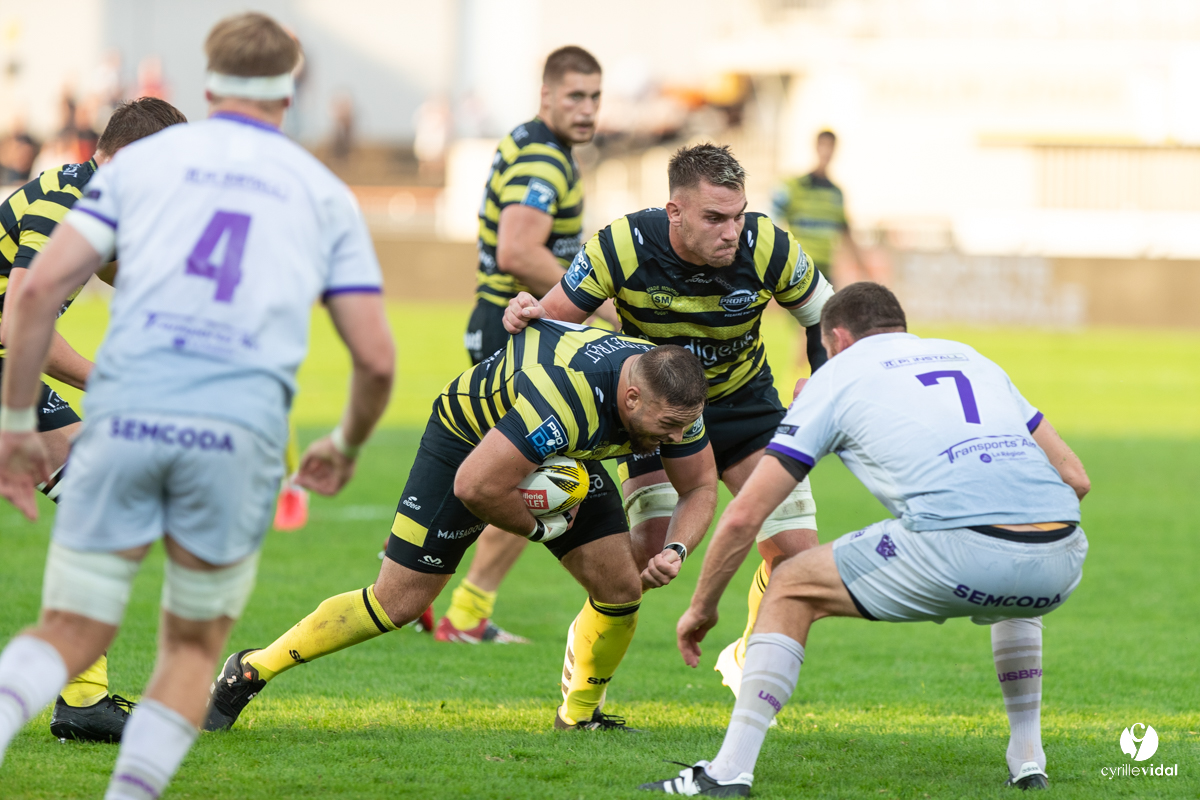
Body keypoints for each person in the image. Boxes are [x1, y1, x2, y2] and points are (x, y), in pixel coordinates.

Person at [0, 14, 395, 800]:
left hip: (138, 415)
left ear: (211, 88)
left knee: (70, 607)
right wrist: (345, 441)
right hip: (231, 425)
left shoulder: (140, 183)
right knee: (190, 645)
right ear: (291, 93)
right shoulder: (314, 189)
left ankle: (78, 697)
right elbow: (375, 356)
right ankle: (89, 716)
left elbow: (50, 292)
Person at [640, 283, 1090, 796]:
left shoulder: (839, 374)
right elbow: (1075, 477)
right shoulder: (971, 358)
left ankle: (726, 773)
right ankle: (1028, 758)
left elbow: (745, 516)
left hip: (957, 549)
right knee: (1014, 576)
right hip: (1061, 554)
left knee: (789, 585)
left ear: (837, 339)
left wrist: (701, 609)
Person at [205, 320, 718, 733]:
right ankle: (251, 668)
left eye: (683, 426)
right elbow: (476, 486)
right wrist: (543, 529)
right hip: (467, 445)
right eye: (667, 428)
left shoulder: (672, 397)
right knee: (399, 603)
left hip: (556, 451)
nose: (674, 437)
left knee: (621, 588)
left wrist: (676, 547)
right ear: (631, 400)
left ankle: (579, 716)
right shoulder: (568, 400)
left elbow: (699, 487)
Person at [504, 143, 835, 698]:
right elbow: (553, 324)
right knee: (641, 558)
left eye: (737, 215)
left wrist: (820, 382)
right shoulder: (623, 245)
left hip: (744, 405)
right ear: (674, 212)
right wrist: (525, 314)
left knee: (798, 557)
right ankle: (582, 699)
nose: (731, 231)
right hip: (658, 413)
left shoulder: (768, 243)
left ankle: (745, 657)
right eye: (714, 218)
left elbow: (825, 315)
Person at [0, 96, 188, 743]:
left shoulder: (90, 201)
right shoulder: (67, 207)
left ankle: (82, 699)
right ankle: (81, 702)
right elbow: (23, 322)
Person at [442, 45, 607, 645]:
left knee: (516, 472)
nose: (587, 109)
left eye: (594, 97)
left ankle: (455, 602)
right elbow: (517, 251)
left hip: (499, 319)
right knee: (539, 477)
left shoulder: (532, 142)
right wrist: (602, 305)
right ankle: (465, 614)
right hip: (514, 324)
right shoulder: (545, 158)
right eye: (574, 97)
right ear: (546, 97)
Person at [771, 130, 868, 371]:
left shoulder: (836, 193)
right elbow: (771, 218)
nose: (826, 152)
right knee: (810, 326)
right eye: (823, 147)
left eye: (830, 148)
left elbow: (845, 231)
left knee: (818, 325)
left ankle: (802, 375)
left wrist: (863, 265)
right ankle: (800, 376)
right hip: (799, 264)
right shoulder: (795, 186)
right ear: (816, 148)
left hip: (824, 267)